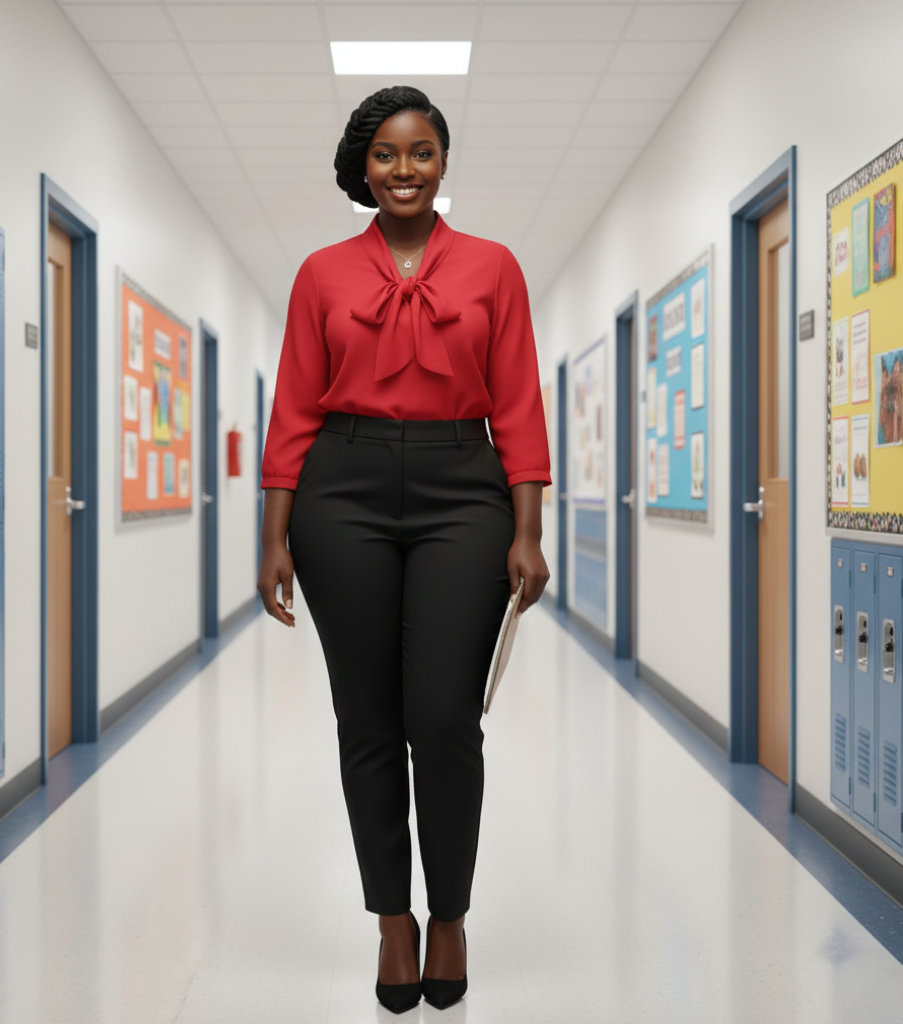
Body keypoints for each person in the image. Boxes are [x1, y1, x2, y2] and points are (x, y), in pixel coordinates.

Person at [257, 85, 551, 1014]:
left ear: (444, 161)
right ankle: (393, 919)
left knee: (443, 717)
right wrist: (273, 535)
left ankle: (449, 913)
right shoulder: (321, 275)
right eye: (385, 154)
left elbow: (519, 402)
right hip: (340, 491)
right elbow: (294, 407)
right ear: (364, 168)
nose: (404, 169)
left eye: (421, 151)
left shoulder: (494, 267)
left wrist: (529, 529)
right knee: (368, 720)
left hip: (464, 488)